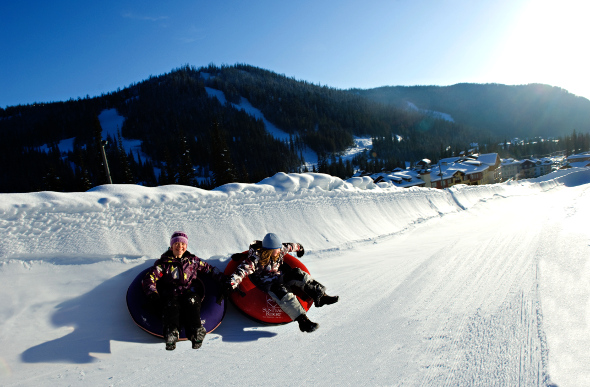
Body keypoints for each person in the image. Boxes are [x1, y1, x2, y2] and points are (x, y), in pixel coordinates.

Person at [222, 232, 338, 332]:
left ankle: (321, 296)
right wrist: (231, 283)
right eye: (276, 249)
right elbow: (242, 270)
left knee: (298, 273)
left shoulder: (280, 250)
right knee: (282, 292)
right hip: (267, 284)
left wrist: (300, 248)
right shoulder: (256, 258)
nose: (280, 250)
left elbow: (291, 246)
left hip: (280, 277)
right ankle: (303, 321)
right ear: (268, 250)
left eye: (279, 248)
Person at [142, 231, 224, 350]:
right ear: (171, 246)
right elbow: (149, 278)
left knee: (192, 301)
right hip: (171, 293)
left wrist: (224, 279)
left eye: (182, 244)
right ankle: (171, 333)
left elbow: (209, 269)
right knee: (171, 305)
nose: (180, 246)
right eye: (176, 244)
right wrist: (152, 294)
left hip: (188, 291)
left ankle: (196, 331)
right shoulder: (164, 263)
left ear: (186, 246)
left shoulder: (193, 261)